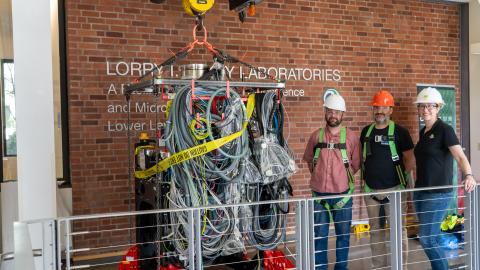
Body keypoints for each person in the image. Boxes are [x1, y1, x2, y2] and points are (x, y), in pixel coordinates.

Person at [413, 87, 477, 270]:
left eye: (430, 106)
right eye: (422, 106)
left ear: (439, 107)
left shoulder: (445, 130)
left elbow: (460, 157)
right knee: (429, 237)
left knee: (427, 238)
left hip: (438, 194)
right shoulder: (424, 132)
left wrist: (469, 174)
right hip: (420, 192)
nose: (426, 109)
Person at [303, 94, 361, 270]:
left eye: (336, 111)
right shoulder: (316, 136)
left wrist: (340, 177)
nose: (333, 114)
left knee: (343, 236)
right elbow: (309, 161)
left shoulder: (351, 138)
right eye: (329, 110)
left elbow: (356, 164)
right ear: (325, 112)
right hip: (319, 196)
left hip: (343, 196)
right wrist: (321, 177)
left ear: (342, 114)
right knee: (319, 236)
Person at [360, 90, 415, 269]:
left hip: (395, 190)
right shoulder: (366, 132)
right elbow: (363, 159)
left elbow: (410, 160)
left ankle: (400, 267)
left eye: (384, 107)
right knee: (375, 231)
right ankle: (379, 267)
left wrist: (400, 183)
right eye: (376, 107)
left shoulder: (401, 132)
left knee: (398, 231)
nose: (379, 111)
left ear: (390, 109)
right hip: (371, 191)